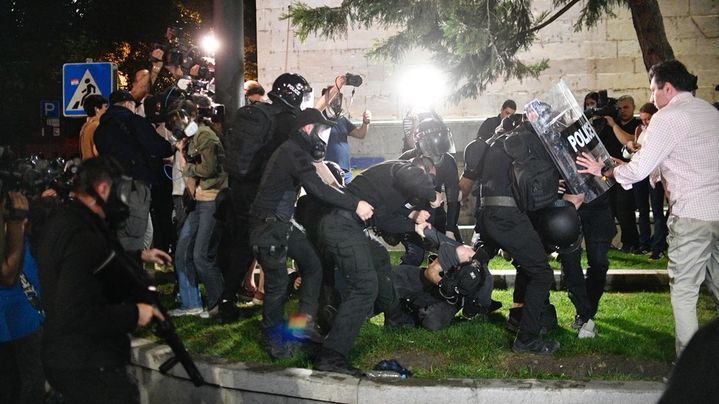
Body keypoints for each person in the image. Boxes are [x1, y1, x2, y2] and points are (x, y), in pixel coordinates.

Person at [577, 59, 719, 356]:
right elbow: (668, 160)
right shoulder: (710, 112)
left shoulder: (667, 118)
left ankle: (687, 369)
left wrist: (605, 171)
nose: (652, 97)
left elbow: (639, 171)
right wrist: (625, 165)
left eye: (654, 90)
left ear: (667, 88)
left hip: (693, 214)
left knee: (684, 292)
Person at [37, 157, 171, 403]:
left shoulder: (67, 222)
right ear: (102, 189)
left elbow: (93, 261)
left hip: (68, 359)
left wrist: (139, 254)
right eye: (119, 191)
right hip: (89, 363)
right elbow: (74, 312)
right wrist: (134, 313)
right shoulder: (82, 233)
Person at [249, 108, 373, 358]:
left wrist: (348, 195)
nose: (323, 136)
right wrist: (355, 205)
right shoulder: (292, 151)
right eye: (321, 130)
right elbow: (317, 188)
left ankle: (301, 324)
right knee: (277, 284)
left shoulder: (296, 150)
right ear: (307, 129)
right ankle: (271, 337)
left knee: (313, 265)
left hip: (281, 224)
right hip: (267, 226)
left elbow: (326, 180)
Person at [313, 157, 438, 375]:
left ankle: (395, 318)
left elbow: (384, 220)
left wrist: (413, 224)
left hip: (349, 225)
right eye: (425, 175)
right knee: (365, 288)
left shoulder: (392, 188)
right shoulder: (400, 168)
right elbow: (411, 176)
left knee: (379, 256)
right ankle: (331, 355)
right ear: (417, 168)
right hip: (341, 224)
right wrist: (433, 195)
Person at [218, 73, 313, 323]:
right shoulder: (288, 122)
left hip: (239, 188)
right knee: (274, 256)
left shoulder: (259, 113)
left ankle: (226, 302)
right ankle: (271, 318)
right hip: (266, 197)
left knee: (241, 245)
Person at [167, 98, 227, 317]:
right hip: (198, 200)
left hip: (210, 199)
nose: (178, 127)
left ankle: (218, 303)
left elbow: (208, 169)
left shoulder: (204, 135)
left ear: (188, 116)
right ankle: (191, 302)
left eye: (178, 120)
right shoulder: (194, 137)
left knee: (201, 255)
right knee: (182, 252)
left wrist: (186, 160)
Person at [93, 89, 174, 251]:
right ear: (129, 104)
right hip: (135, 184)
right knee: (136, 234)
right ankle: (132, 269)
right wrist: (171, 147)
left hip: (112, 186)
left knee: (130, 231)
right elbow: (156, 145)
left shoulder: (100, 129)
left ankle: (130, 266)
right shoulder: (134, 121)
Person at [391, 227, 498, 331]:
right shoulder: (458, 252)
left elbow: (473, 311)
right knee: (393, 276)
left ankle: (412, 313)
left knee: (431, 323)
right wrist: (442, 283)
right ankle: (402, 310)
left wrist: (466, 303)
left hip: (453, 299)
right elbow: (430, 272)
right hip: (435, 281)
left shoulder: (485, 281)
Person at [398, 117, 461, 266]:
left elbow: (453, 199)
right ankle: (401, 283)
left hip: (436, 211)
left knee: (456, 250)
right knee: (415, 255)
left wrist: (450, 229)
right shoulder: (407, 159)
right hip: (411, 212)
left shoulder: (448, 161)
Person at [624, 102, 667, 259]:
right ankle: (644, 244)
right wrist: (631, 147)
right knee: (642, 210)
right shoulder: (639, 129)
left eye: (647, 119)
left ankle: (658, 247)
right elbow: (630, 155)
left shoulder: (660, 130)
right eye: (642, 119)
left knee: (657, 211)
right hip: (640, 173)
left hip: (654, 174)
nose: (645, 122)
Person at [600, 95, 641, 253]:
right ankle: (609, 240)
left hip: (627, 175)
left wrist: (614, 125)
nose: (622, 111)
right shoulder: (608, 126)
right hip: (609, 173)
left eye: (626, 107)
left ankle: (630, 242)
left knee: (625, 210)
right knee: (610, 209)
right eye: (620, 108)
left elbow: (629, 140)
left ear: (633, 107)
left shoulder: (636, 125)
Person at [319, 81, 372, 184]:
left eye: (337, 98)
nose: (336, 101)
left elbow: (360, 134)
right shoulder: (318, 119)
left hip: (345, 172)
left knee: (352, 195)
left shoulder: (342, 120)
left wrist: (366, 123)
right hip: (326, 170)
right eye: (333, 97)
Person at [79, 94, 108, 160]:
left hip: (87, 166)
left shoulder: (85, 127)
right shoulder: (98, 126)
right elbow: (98, 151)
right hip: (98, 167)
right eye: (105, 107)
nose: (106, 110)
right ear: (97, 109)